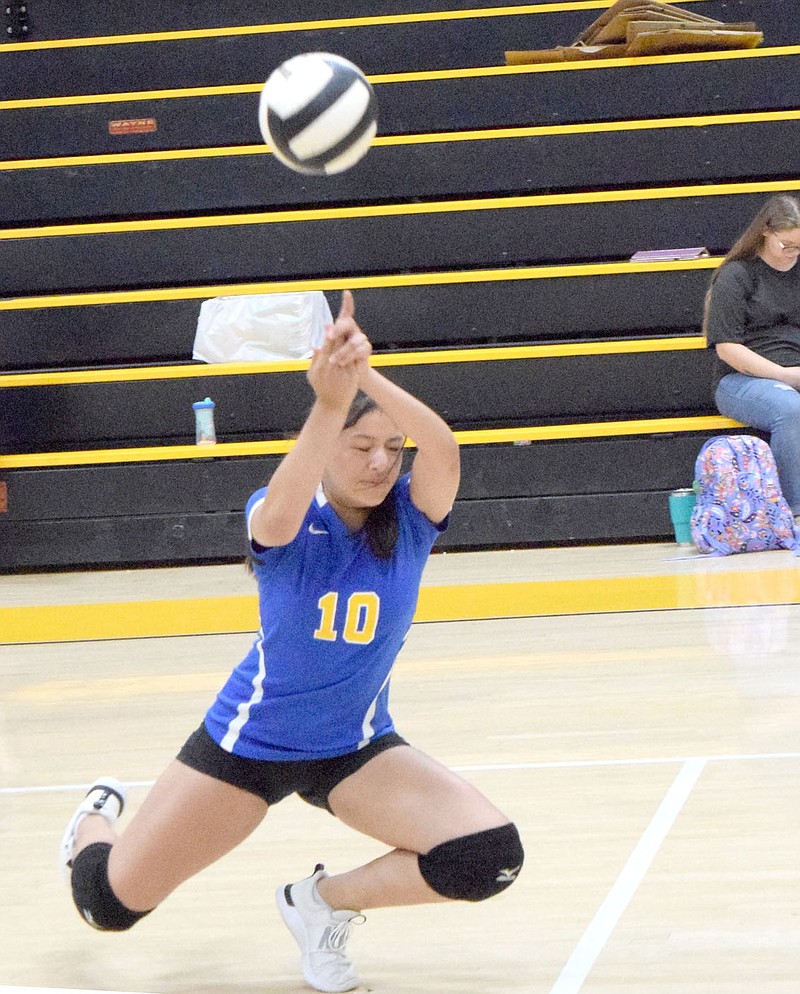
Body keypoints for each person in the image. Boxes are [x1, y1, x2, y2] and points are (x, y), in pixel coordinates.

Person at [59, 290, 524, 994]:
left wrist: (363, 373)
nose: (379, 463)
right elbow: (276, 514)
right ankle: (93, 823)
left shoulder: (412, 519)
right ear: (328, 446)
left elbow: (448, 447)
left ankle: (319, 904)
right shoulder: (283, 516)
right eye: (362, 447)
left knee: (489, 858)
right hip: (249, 748)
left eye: (392, 451)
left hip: (355, 747)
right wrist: (331, 399)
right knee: (107, 906)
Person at [703, 193, 800, 515]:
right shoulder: (737, 275)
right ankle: (793, 511)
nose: (793, 253)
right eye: (787, 245)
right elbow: (727, 348)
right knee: (790, 408)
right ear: (765, 233)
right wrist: (785, 375)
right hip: (744, 379)